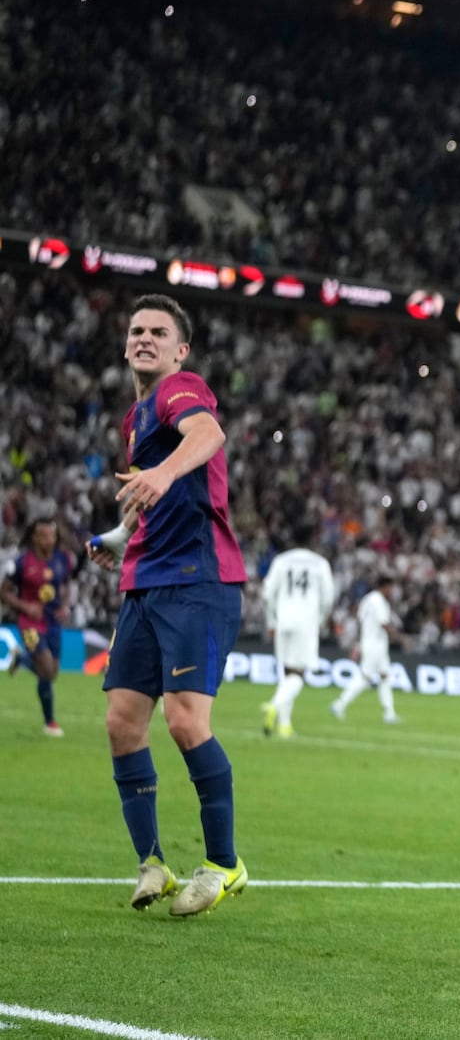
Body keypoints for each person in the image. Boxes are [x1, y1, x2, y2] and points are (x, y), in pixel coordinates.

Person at [86, 293, 248, 917]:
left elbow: (208, 434)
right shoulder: (135, 419)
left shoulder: (180, 389)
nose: (144, 337)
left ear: (180, 349)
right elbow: (149, 495)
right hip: (145, 580)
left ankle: (225, 865)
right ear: (126, 346)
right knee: (122, 723)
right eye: (136, 331)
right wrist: (120, 537)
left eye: (159, 331)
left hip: (197, 580)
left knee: (185, 723)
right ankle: (154, 862)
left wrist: (165, 473)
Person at [259, 525, 337, 738]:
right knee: (299, 675)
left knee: (287, 673)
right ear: (312, 539)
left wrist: (271, 621)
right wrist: (320, 620)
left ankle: (285, 726)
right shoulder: (320, 563)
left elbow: (267, 594)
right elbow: (329, 598)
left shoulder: (281, 560)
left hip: (283, 620)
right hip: (306, 621)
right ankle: (273, 705)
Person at [1, 518, 74, 736]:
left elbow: (67, 583)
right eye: (44, 535)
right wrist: (25, 606)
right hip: (30, 623)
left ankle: (21, 660)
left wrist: (65, 606)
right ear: (35, 536)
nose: (49, 540)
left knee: (51, 673)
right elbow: (3, 592)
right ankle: (50, 722)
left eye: (52, 535)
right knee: (46, 668)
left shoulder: (63, 559)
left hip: (53, 622)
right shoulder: (21, 563)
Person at [332, 576, 403, 723]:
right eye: (391, 588)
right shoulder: (379, 601)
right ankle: (339, 704)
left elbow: (360, 621)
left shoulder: (367, 599)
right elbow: (383, 623)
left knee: (385, 676)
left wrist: (359, 642)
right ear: (385, 586)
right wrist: (400, 638)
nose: (392, 591)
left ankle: (389, 713)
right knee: (365, 677)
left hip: (372, 642)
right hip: (375, 644)